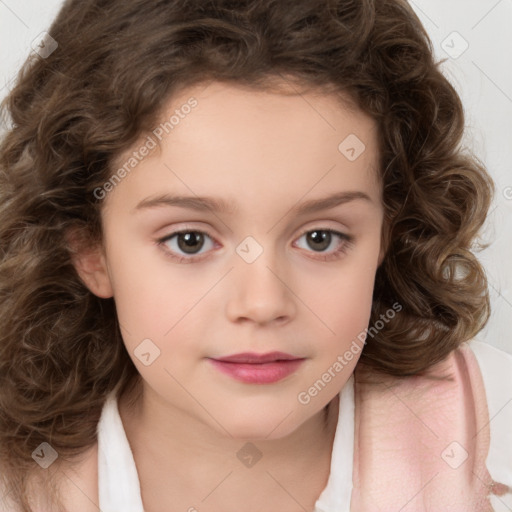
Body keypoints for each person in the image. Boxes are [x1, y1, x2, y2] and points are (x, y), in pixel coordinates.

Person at [0, 0, 511, 511]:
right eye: (190, 241)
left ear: (384, 234)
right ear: (91, 251)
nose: (263, 304)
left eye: (319, 238)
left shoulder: (492, 427)